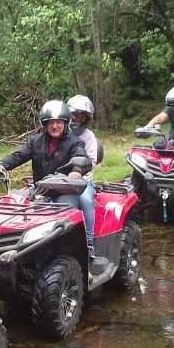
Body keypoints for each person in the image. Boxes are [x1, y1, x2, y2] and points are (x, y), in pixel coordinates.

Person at [0, 100, 94, 247]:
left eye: (59, 122)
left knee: (67, 217)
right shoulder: (35, 141)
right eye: (51, 122)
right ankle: (9, 245)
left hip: (64, 191)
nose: (55, 126)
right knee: (10, 205)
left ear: (65, 123)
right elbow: (18, 155)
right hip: (40, 189)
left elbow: (83, 158)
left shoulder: (74, 142)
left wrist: (77, 170)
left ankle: (81, 247)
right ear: (45, 124)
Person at [66, 95, 99, 253]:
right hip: (60, 180)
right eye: (75, 115)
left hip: (84, 181)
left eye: (82, 116)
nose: (78, 119)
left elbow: (92, 160)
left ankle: (90, 241)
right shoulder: (61, 132)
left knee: (85, 201)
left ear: (87, 118)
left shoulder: (89, 136)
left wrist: (79, 172)